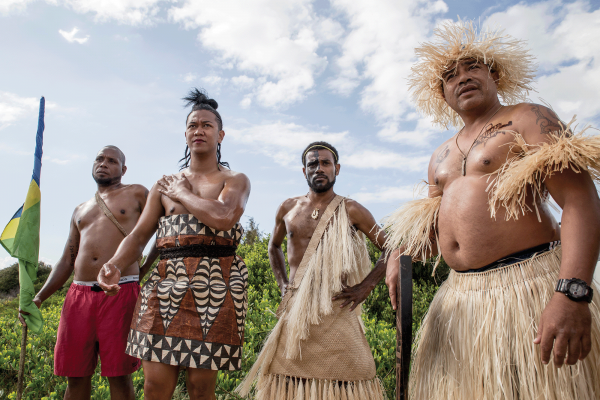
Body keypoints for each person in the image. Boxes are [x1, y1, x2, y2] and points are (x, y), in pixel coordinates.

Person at [384, 21, 600, 399]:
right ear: (443, 94)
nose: (462, 78)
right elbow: (433, 237)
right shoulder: (440, 156)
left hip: (529, 287)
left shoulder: (529, 118)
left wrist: (571, 292)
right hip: (461, 303)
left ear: (494, 75)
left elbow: (581, 201)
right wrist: (400, 253)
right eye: (450, 76)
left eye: (473, 67)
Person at [97, 89, 251, 400]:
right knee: (155, 387)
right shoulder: (163, 185)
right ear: (185, 134)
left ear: (220, 135)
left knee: (200, 388)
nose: (199, 130)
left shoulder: (234, 180)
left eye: (207, 125)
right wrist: (113, 264)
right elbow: (140, 236)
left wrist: (183, 194)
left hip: (216, 286)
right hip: (165, 285)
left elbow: (223, 217)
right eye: (193, 125)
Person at [237, 141, 387, 400]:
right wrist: (283, 283)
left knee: (353, 374)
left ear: (337, 169)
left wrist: (366, 285)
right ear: (303, 171)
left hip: (335, 308)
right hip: (295, 311)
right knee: (286, 380)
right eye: (313, 164)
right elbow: (274, 247)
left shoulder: (351, 209)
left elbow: (391, 247)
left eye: (326, 163)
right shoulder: (288, 207)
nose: (319, 168)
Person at [19, 145, 154, 400]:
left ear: (123, 169)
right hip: (78, 295)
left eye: (112, 160)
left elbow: (162, 230)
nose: (104, 163)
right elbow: (67, 261)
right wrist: (39, 298)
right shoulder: (80, 209)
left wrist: (142, 270)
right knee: (76, 374)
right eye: (99, 159)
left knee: (119, 374)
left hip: (119, 292)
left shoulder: (137, 193)